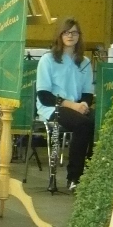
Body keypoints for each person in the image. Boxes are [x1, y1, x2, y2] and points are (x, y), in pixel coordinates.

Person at [35, 18, 94, 190]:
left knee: (101, 121)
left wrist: (84, 104)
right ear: (60, 35)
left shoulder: (85, 62)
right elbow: (44, 96)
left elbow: (88, 93)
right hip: (52, 107)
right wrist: (73, 106)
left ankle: (94, 172)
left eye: (74, 32)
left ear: (79, 36)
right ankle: (74, 177)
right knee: (83, 124)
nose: (70, 36)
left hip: (77, 107)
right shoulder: (48, 60)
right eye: (66, 32)